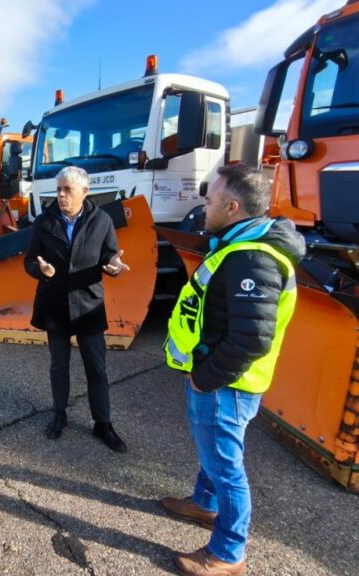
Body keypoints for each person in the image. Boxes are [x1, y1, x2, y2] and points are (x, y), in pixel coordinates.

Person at [161, 164, 305, 576]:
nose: (204, 207)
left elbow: (251, 338)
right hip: (223, 381)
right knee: (213, 454)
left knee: (226, 468)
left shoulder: (252, 260)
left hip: (227, 386)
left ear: (233, 207)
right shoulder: (239, 246)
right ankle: (204, 504)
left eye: (210, 201)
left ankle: (227, 553)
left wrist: (203, 379)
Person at [24, 166, 130, 451]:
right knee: (59, 365)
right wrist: (39, 269)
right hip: (54, 304)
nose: (61, 195)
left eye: (67, 190)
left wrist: (113, 267)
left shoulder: (102, 220)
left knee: (96, 367)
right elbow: (30, 260)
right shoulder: (44, 221)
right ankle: (59, 414)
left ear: (84, 191)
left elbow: (110, 256)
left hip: (88, 306)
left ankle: (103, 423)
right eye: (59, 189)